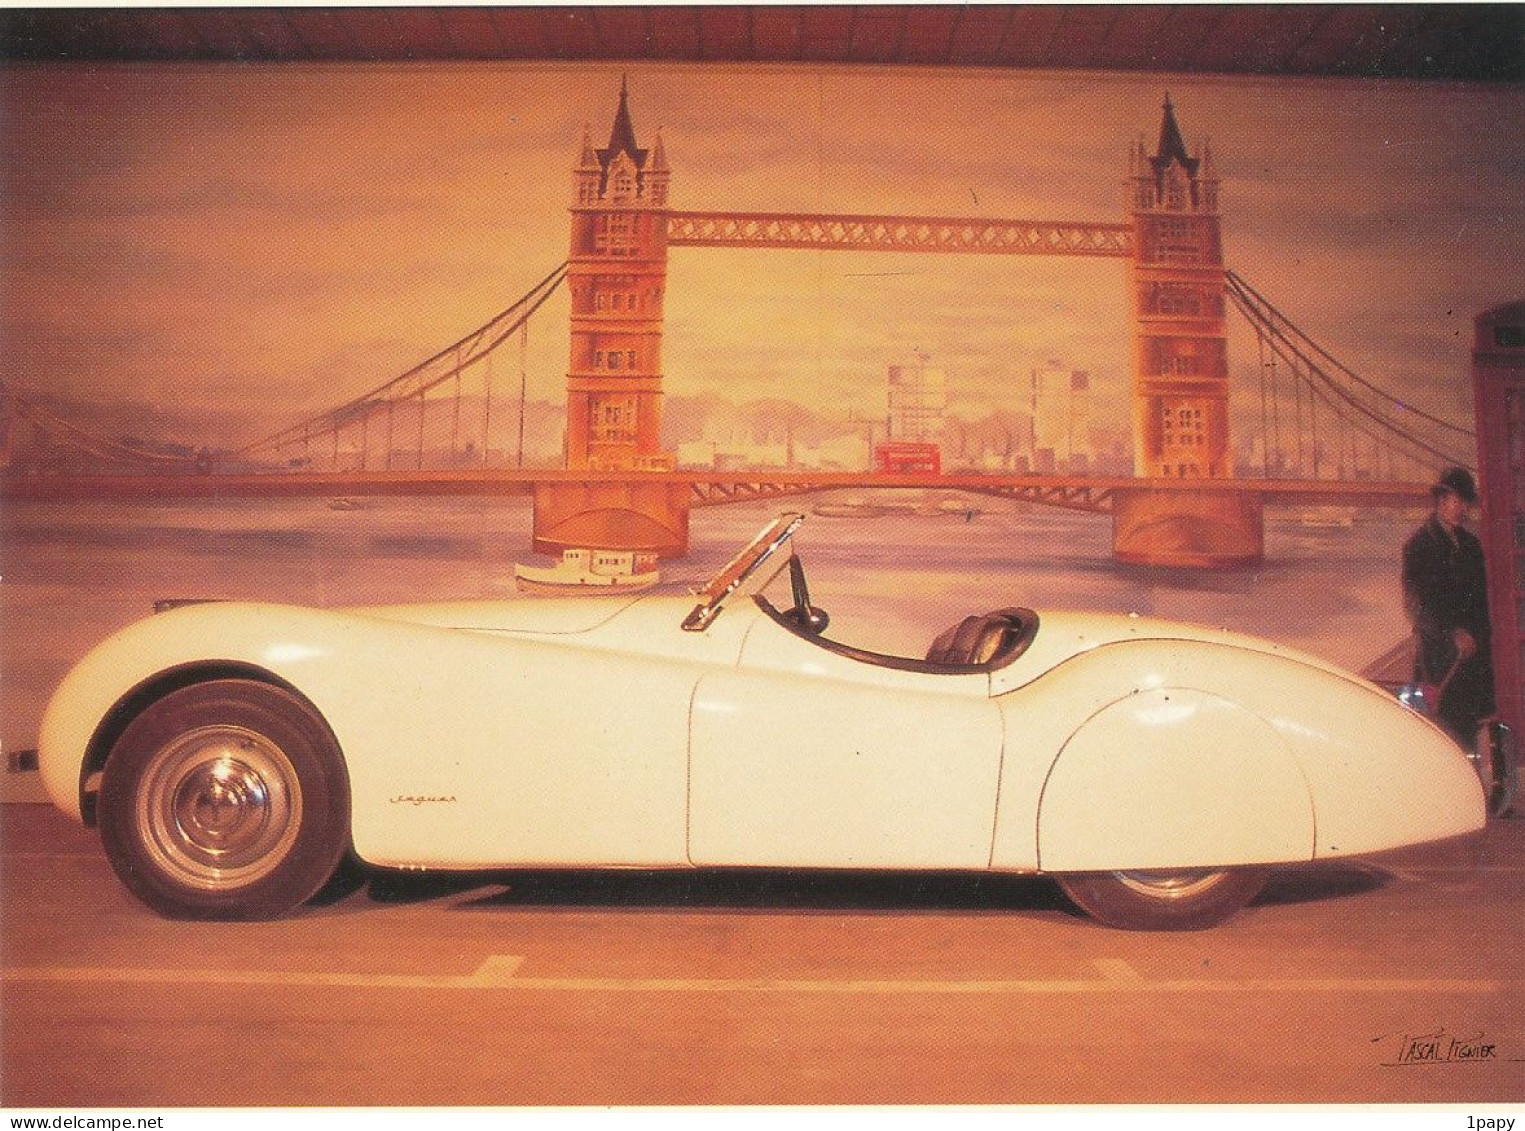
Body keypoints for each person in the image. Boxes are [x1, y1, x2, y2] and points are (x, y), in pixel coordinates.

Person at [1402, 466, 1495, 744]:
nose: (1463, 509)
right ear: (1442, 500)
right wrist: (1453, 632)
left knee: (1468, 728)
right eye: (1459, 501)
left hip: (1472, 656)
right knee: (1440, 729)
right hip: (1439, 655)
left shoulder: (1471, 545)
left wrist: (1477, 635)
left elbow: (1482, 599)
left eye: (1467, 503)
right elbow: (1417, 604)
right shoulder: (1418, 545)